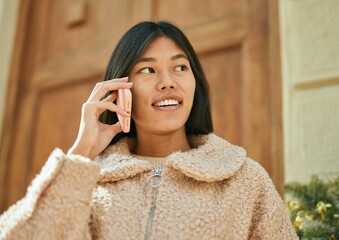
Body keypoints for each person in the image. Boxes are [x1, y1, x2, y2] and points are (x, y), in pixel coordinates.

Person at [0, 21, 298, 239]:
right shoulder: (88, 183)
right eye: (147, 69)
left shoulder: (244, 179)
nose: (168, 81)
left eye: (181, 67)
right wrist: (82, 153)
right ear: (119, 90)